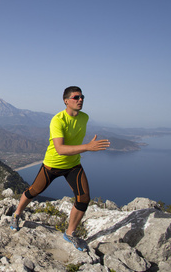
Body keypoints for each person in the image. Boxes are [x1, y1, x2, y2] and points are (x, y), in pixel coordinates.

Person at [9, 86, 110, 251]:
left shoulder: (84, 117)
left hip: (73, 165)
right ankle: (17, 214)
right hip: (53, 165)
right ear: (66, 101)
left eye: (82, 97)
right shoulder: (58, 120)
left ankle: (70, 233)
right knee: (34, 190)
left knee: (83, 198)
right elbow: (60, 149)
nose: (80, 100)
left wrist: (85, 148)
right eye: (76, 97)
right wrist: (88, 147)